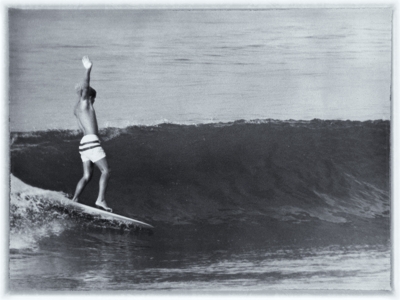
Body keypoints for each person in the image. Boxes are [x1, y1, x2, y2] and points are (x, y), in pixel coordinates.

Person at [71, 56, 112, 212]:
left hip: (83, 144)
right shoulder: (85, 102)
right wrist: (88, 68)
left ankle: (74, 199)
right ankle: (100, 200)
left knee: (87, 176)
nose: (94, 102)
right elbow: (86, 86)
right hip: (91, 141)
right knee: (106, 171)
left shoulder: (76, 109)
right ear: (90, 97)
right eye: (94, 99)